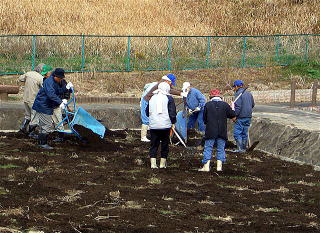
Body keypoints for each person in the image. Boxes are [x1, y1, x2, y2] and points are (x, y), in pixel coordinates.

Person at [32, 68, 72, 149]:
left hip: (46, 105)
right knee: (46, 124)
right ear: (55, 76)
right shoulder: (49, 82)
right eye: (60, 78)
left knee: (45, 124)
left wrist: (66, 88)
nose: (61, 79)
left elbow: (58, 91)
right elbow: (51, 94)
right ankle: (42, 144)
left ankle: (42, 142)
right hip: (43, 105)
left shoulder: (54, 81)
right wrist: (60, 102)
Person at [199, 89, 236, 172]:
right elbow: (232, 115)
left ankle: (206, 167)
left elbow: (204, 119)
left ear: (211, 96)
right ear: (220, 96)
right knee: (221, 148)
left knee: (208, 148)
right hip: (222, 130)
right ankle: (219, 167)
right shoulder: (225, 105)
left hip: (210, 130)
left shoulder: (207, 105)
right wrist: (232, 107)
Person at [140, 74, 181, 142]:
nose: (171, 84)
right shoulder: (161, 84)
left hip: (153, 100)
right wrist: (181, 94)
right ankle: (143, 137)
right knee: (146, 119)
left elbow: (172, 89)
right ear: (167, 81)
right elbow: (170, 91)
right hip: (147, 100)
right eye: (171, 82)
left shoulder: (165, 83)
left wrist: (181, 91)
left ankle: (154, 134)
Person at [146, 82, 177, 169]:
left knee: (154, 145)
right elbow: (172, 113)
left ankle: (153, 164)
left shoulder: (152, 98)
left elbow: (147, 112)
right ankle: (162, 164)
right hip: (165, 126)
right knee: (164, 144)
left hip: (153, 126)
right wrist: (173, 122)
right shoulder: (169, 98)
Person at [18, 64, 52, 136]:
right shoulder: (40, 78)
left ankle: (22, 128)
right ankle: (31, 133)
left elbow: (20, 79)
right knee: (34, 117)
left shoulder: (28, 73)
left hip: (26, 98)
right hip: (34, 99)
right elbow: (45, 88)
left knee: (28, 115)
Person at [231, 80, 255, 153]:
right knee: (244, 133)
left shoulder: (238, 94)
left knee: (237, 133)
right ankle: (244, 148)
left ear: (236, 86)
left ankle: (240, 149)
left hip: (240, 117)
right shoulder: (249, 94)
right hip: (248, 116)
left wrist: (234, 115)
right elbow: (253, 104)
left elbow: (237, 107)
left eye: (234, 87)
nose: (233, 89)